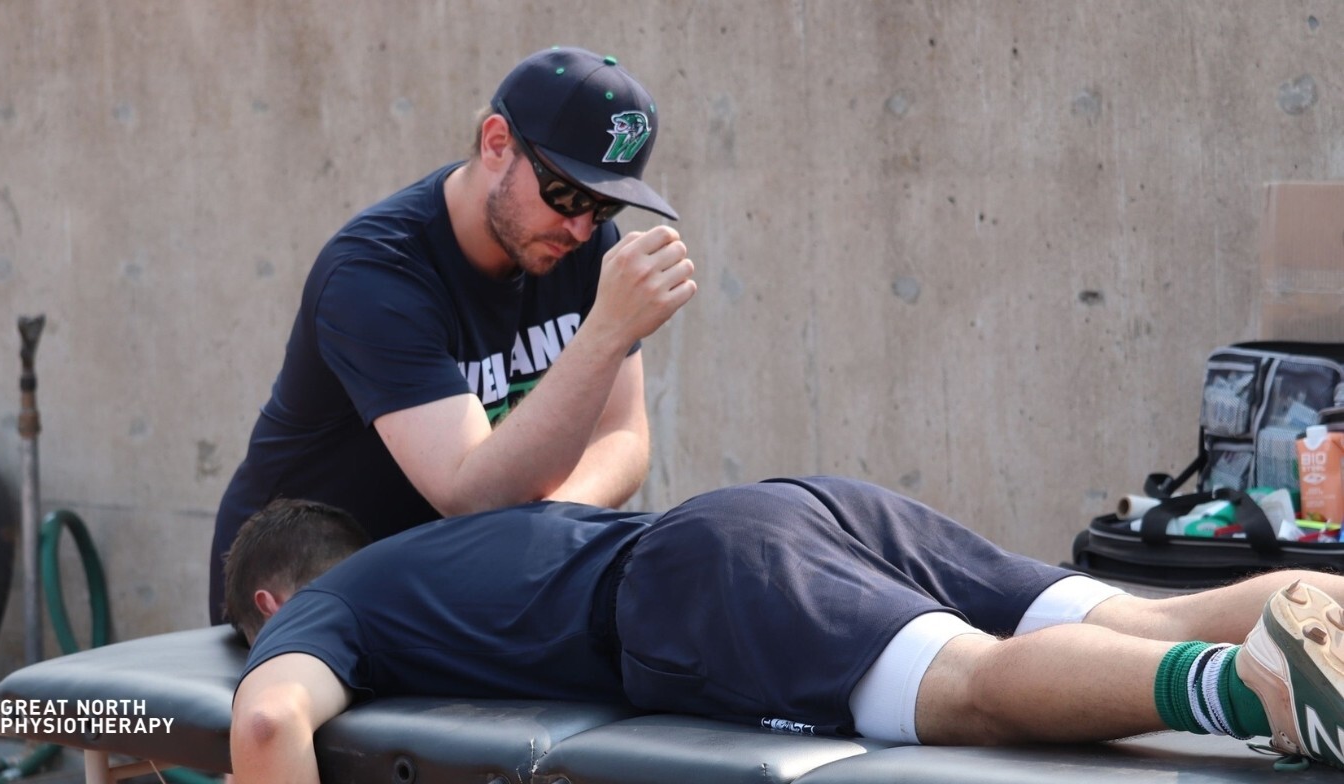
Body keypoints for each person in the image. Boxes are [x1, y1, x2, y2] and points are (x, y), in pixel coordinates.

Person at [224, 476, 1344, 782]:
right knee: (1144, 610)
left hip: (702, 586)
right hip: (796, 506)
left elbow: (270, 724)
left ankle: (1247, 691)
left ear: (270, 604)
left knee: (976, 689)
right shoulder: (442, 548)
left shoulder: (325, 607)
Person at [206, 46, 696, 623]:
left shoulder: (582, 246)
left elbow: (623, 437)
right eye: (566, 193)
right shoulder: (375, 274)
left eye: (605, 205)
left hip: (442, 575)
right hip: (304, 579)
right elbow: (472, 494)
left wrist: (540, 527)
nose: (581, 227)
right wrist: (606, 332)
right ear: (496, 143)